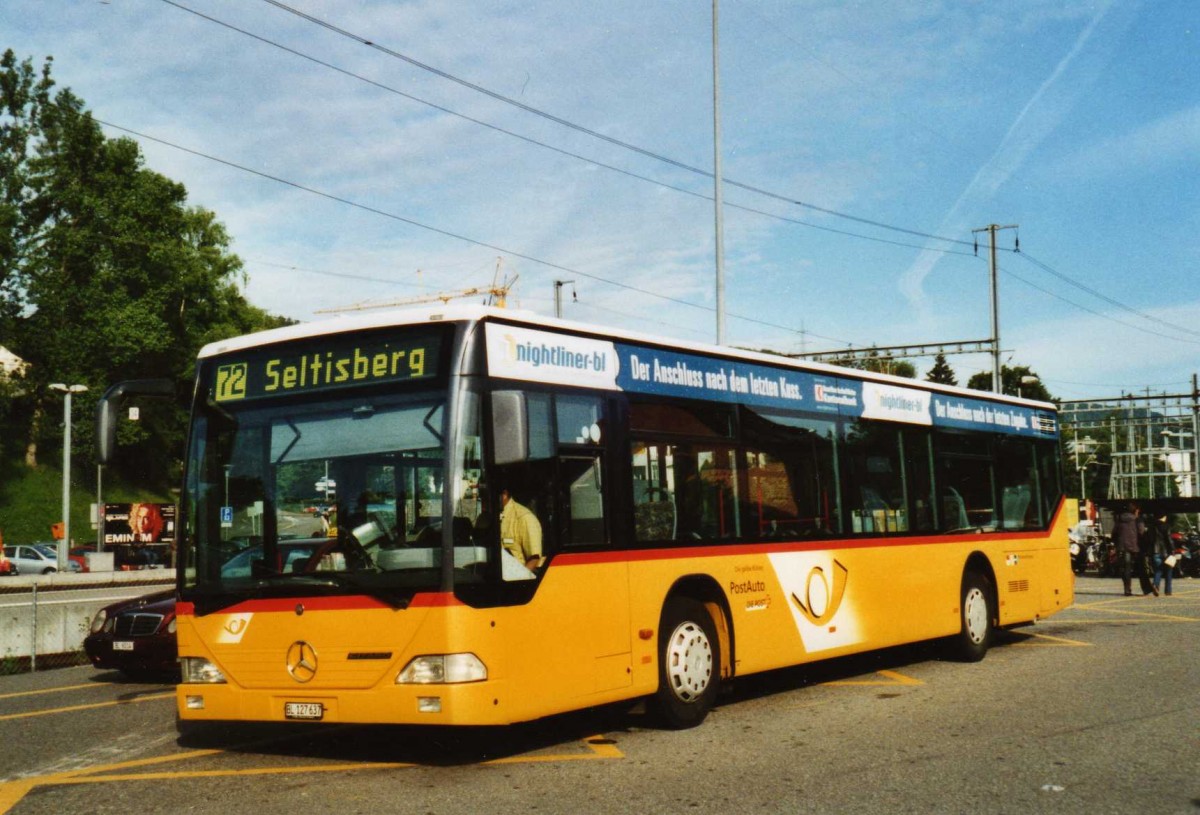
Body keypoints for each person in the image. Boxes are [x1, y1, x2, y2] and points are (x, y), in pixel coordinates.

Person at [1110, 503, 1153, 596]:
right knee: (1141, 568)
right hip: (1136, 547)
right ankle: (1146, 589)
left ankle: (1127, 590)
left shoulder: (1119, 519)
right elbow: (1141, 532)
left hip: (1122, 547)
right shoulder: (1137, 520)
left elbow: (1114, 533)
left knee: (1126, 569)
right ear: (1135, 511)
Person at [499, 488, 543, 571]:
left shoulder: (525, 518)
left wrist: (521, 577)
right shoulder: (485, 518)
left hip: (515, 576)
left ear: (504, 494)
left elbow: (534, 559)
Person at [1144, 513, 1173, 596]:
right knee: (1169, 570)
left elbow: (1147, 540)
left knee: (1158, 570)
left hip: (1155, 552)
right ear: (1164, 517)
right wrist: (1172, 550)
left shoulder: (1151, 527)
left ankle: (1155, 585)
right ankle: (1168, 590)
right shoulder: (1166, 526)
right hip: (1166, 552)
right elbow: (1169, 539)